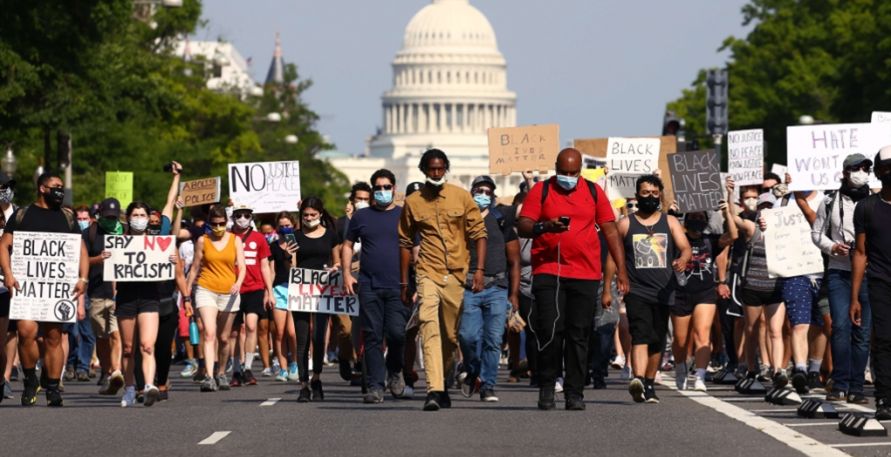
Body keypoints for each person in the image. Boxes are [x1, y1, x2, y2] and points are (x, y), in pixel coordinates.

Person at [518, 148, 628, 410]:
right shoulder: (541, 190)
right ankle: (547, 386)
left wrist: (622, 269)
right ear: (555, 167)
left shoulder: (593, 191)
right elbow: (523, 224)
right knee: (551, 331)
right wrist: (545, 226)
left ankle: (574, 392)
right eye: (563, 172)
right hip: (549, 271)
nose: (568, 177)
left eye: (573, 173)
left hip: (585, 273)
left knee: (579, 334)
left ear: (580, 170)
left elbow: (611, 231)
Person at [399, 149, 487, 411]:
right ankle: (434, 390)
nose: (436, 173)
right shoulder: (413, 202)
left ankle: (444, 379)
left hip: (456, 274)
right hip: (427, 271)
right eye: (431, 169)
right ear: (423, 170)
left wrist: (479, 270)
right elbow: (404, 241)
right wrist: (405, 282)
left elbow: (479, 234)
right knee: (428, 326)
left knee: (449, 336)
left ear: (446, 169)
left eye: (440, 169)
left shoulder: (461, 197)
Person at [0, 171, 89, 407]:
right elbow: (4, 245)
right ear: (42, 188)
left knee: (53, 337)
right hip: (27, 287)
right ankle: (30, 380)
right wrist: (8, 274)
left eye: (62, 186)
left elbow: (81, 251)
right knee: (26, 331)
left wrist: (83, 278)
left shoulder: (67, 218)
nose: (60, 190)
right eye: (55, 186)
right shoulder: (22, 214)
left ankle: (52, 387)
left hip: (57, 289)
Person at [603, 174, 690, 404]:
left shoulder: (670, 222)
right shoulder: (625, 224)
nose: (650, 197)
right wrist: (607, 288)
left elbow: (685, 248)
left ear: (660, 195)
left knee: (657, 339)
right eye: (645, 193)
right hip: (636, 290)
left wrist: (683, 259)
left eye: (654, 193)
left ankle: (650, 383)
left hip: (664, 290)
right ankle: (638, 379)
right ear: (637, 195)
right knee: (640, 333)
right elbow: (613, 257)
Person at [116, 163, 180, 407]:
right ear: (128, 218)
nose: (140, 219)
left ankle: (150, 385)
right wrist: (106, 257)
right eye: (136, 215)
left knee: (146, 345)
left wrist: (176, 177)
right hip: (126, 299)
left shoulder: (158, 239)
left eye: (143, 215)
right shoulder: (120, 240)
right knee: (129, 348)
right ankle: (130, 388)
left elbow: (169, 205)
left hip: (150, 298)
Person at [343, 169, 409, 403]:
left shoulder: (404, 215)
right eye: (378, 188)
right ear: (373, 191)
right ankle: (375, 386)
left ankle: (395, 371)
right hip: (369, 284)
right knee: (371, 336)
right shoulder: (363, 217)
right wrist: (347, 274)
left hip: (398, 285)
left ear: (394, 189)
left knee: (396, 334)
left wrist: (415, 279)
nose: (382, 191)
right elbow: (348, 245)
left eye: (386, 187)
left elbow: (416, 248)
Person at [454, 175, 520, 403]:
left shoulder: (500, 219)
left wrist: (513, 293)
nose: (483, 194)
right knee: (468, 336)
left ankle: (488, 385)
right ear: (471, 192)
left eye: (487, 191)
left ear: (492, 196)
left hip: (497, 287)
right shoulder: (462, 219)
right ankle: (471, 369)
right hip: (469, 286)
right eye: (479, 190)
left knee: (493, 340)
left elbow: (514, 260)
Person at [814, 153, 873, 403]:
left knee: (863, 332)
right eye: (857, 168)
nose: (862, 172)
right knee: (840, 327)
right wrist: (832, 247)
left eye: (866, 168)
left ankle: (857, 388)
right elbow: (816, 234)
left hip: (870, 275)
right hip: (839, 272)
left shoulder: (875, 201)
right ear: (845, 172)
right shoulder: (829, 201)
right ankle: (839, 383)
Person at [671, 178, 738, 392]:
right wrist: (671, 212)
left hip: (705, 293)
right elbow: (659, 236)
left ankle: (699, 375)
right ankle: (681, 366)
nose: (697, 220)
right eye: (694, 217)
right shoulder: (676, 238)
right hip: (680, 293)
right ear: (687, 219)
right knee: (681, 341)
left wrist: (727, 210)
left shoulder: (711, 240)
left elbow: (734, 235)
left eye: (701, 217)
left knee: (703, 333)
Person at [186, 205, 246, 392]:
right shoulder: (203, 241)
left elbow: (242, 266)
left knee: (224, 337)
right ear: (209, 223)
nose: (218, 227)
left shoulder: (235, 240)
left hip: (229, 292)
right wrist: (186, 293)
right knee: (209, 333)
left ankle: (221, 372)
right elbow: (195, 267)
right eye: (214, 224)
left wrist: (238, 283)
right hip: (206, 289)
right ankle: (209, 376)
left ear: (226, 223)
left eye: (221, 223)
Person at [732, 191, 788, 387]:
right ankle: (751, 368)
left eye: (769, 208)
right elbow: (734, 218)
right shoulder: (752, 229)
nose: (766, 211)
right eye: (762, 208)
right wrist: (730, 194)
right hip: (753, 287)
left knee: (775, 330)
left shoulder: (784, 233)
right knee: (752, 329)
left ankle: (778, 370)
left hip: (776, 287)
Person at [851, 146, 891, 420]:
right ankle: (885, 399)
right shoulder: (866, 208)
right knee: (885, 341)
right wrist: (854, 297)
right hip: (880, 283)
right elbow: (861, 253)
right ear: (877, 172)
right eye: (886, 166)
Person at [293, 197, 341, 402]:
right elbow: (293, 265)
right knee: (302, 338)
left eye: (313, 215)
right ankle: (303, 384)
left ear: (321, 214)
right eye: (306, 215)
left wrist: (335, 268)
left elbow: (337, 260)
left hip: (323, 290)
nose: (309, 218)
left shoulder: (331, 236)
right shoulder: (294, 236)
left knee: (319, 336)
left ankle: (317, 378)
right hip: (300, 291)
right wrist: (288, 259)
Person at [228, 204, 274, 387]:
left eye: (246, 215)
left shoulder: (259, 238)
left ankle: (247, 367)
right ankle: (235, 370)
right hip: (232, 288)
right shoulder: (228, 236)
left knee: (252, 326)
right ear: (233, 217)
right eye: (239, 215)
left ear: (251, 217)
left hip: (255, 287)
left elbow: (265, 266)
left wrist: (269, 292)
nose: (242, 218)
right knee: (234, 331)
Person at [334, 183, 371, 382]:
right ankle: (344, 356)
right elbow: (337, 249)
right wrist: (341, 266)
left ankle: (361, 362)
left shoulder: (373, 221)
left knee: (362, 325)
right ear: (352, 201)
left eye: (366, 199)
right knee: (345, 328)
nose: (362, 203)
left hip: (366, 281)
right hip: (344, 281)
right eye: (359, 199)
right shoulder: (342, 224)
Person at [269, 212, 299, 383]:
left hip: (295, 290)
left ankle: (294, 363)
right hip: (279, 288)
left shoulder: (297, 243)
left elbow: (294, 268)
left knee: (293, 333)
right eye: (282, 226)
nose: (285, 228)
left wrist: (290, 253)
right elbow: (271, 270)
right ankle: (283, 368)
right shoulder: (273, 246)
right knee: (279, 333)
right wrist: (269, 291)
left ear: (293, 225)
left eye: (288, 225)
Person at [0, 172, 16, 402]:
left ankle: (4, 378)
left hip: (5, 286)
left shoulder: (17, 216)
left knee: (5, 337)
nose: (5, 191)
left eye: (8, 187)